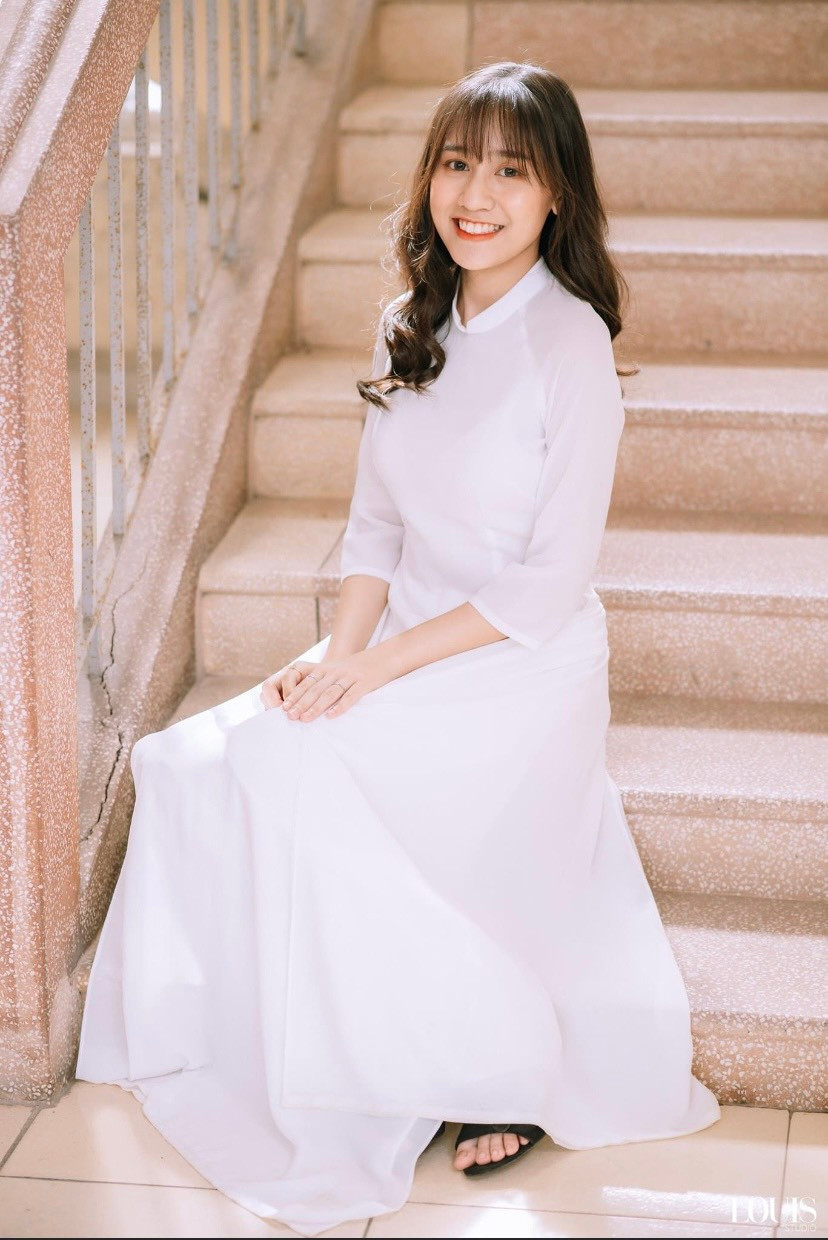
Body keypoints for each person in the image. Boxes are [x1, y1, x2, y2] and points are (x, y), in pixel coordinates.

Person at [76, 61, 721, 1237]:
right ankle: (349, 1054)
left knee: (306, 766)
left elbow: (548, 581)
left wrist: (371, 672)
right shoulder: (409, 323)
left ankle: (479, 1063)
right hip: (406, 640)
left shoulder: (569, 342)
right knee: (196, 760)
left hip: (521, 663)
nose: (476, 194)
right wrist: (339, 651)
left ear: (558, 195)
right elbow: (374, 525)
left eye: (512, 172)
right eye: (457, 163)